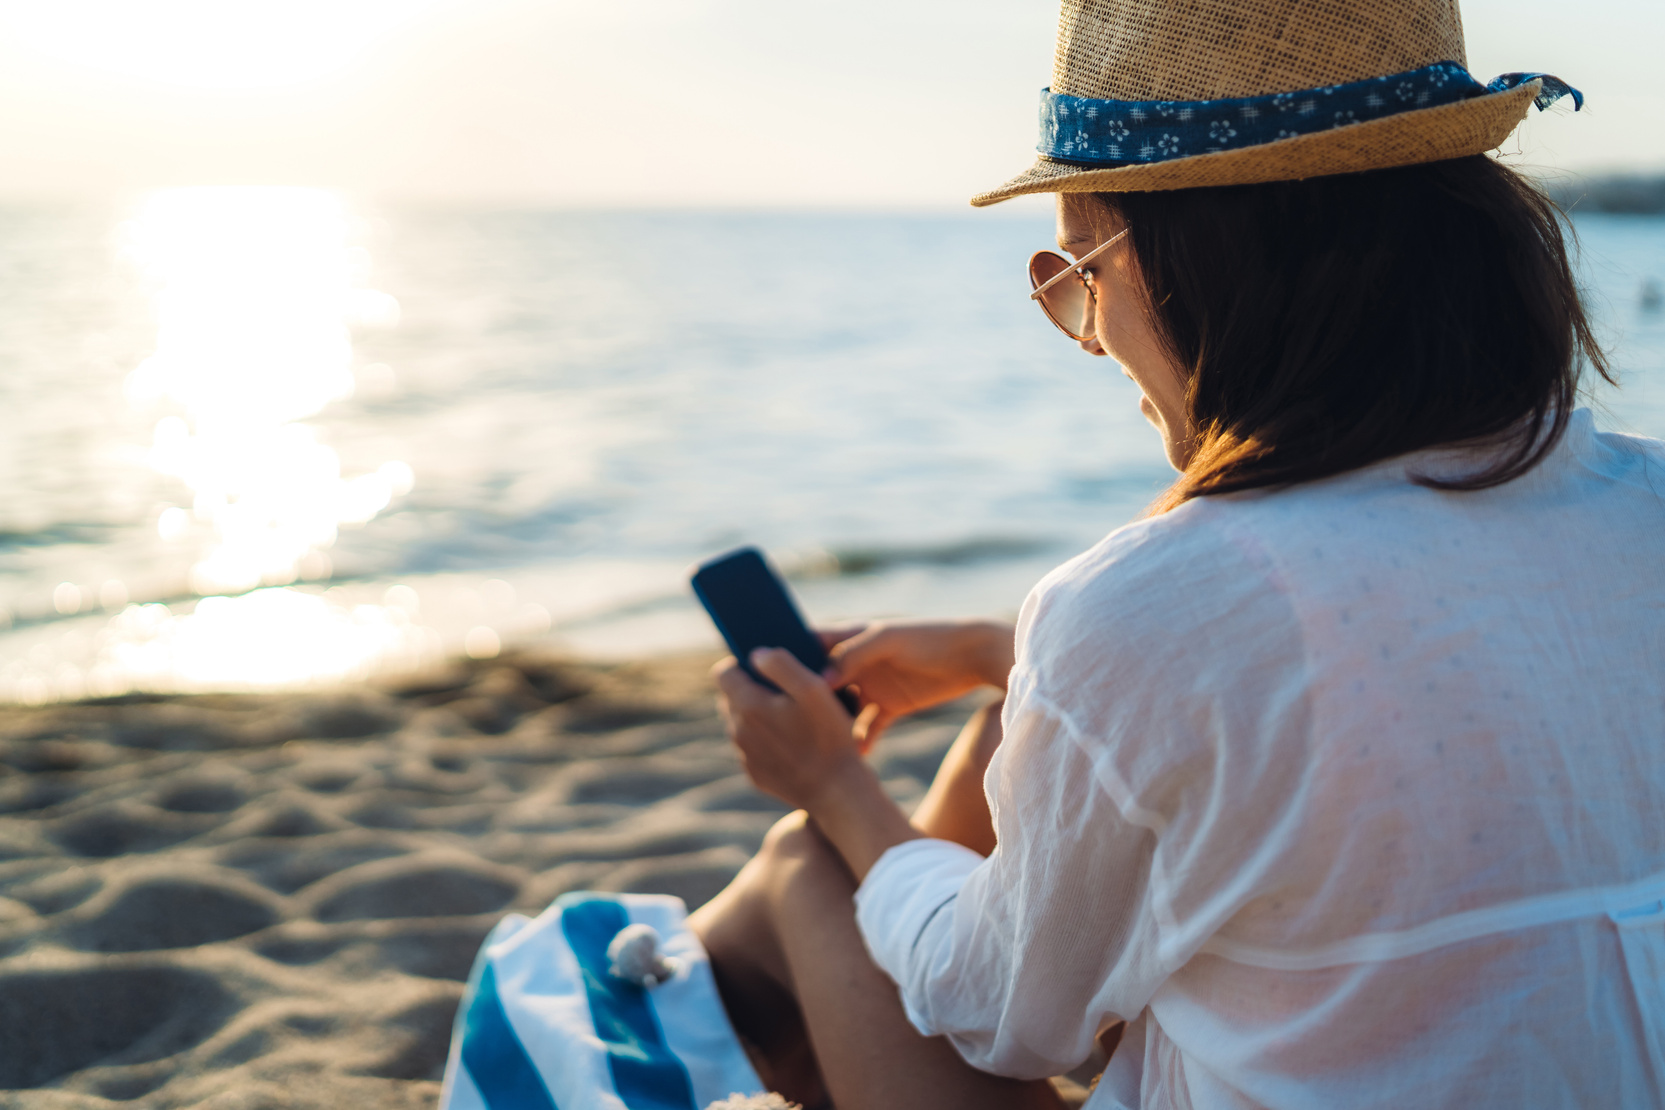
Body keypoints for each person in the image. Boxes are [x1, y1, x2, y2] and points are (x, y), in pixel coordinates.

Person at [688, 2, 1665, 1107]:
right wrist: (998, 653)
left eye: (1078, 276)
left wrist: (831, 784)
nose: (1090, 336)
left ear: (1197, 267)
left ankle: (640, 1015)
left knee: (807, 872)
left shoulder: (1160, 605)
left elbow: (1005, 1016)